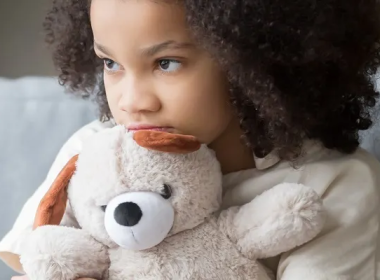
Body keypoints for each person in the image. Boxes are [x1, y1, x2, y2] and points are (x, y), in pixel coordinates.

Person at [3, 0, 380, 279]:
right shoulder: (94, 152)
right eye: (111, 63)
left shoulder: (335, 183)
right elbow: (35, 258)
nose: (132, 102)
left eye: (166, 63)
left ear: (249, 61)